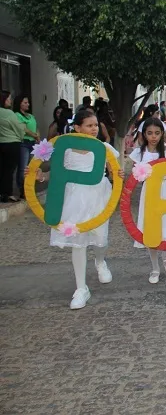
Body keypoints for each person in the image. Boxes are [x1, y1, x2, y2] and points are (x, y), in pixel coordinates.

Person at [28, 109, 123, 309]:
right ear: (77, 128)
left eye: (96, 125)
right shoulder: (66, 149)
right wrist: (40, 177)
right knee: (78, 242)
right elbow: (56, 173)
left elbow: (115, 171)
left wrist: (118, 174)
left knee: (99, 238)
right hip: (73, 198)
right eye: (89, 125)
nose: (94, 129)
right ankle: (81, 288)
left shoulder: (104, 148)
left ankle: (100, 261)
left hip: (98, 196)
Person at [129, 117, 166, 284]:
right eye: (150, 133)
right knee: (150, 229)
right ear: (144, 134)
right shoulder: (139, 153)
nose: (153, 136)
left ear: (162, 134)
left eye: (157, 133)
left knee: (164, 225)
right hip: (148, 192)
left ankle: (165, 254)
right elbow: (135, 175)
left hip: (165, 192)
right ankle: (154, 268)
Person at [13, 95, 40, 199]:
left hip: (33, 143)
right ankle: (22, 189)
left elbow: (36, 127)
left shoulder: (31, 116)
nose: (27, 104)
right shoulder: (17, 115)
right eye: (25, 102)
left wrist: (37, 137)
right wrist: (35, 135)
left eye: (27, 102)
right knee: (23, 167)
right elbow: (24, 129)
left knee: (31, 166)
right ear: (19, 103)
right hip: (24, 143)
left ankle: (29, 188)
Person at [0, 91, 25, 203]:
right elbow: (19, 129)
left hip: (1, 142)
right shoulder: (9, 114)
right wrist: (20, 138)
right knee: (9, 170)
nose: (10, 101)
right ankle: (7, 194)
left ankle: (2, 193)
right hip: (12, 143)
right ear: (4, 100)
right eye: (9, 99)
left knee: (2, 169)